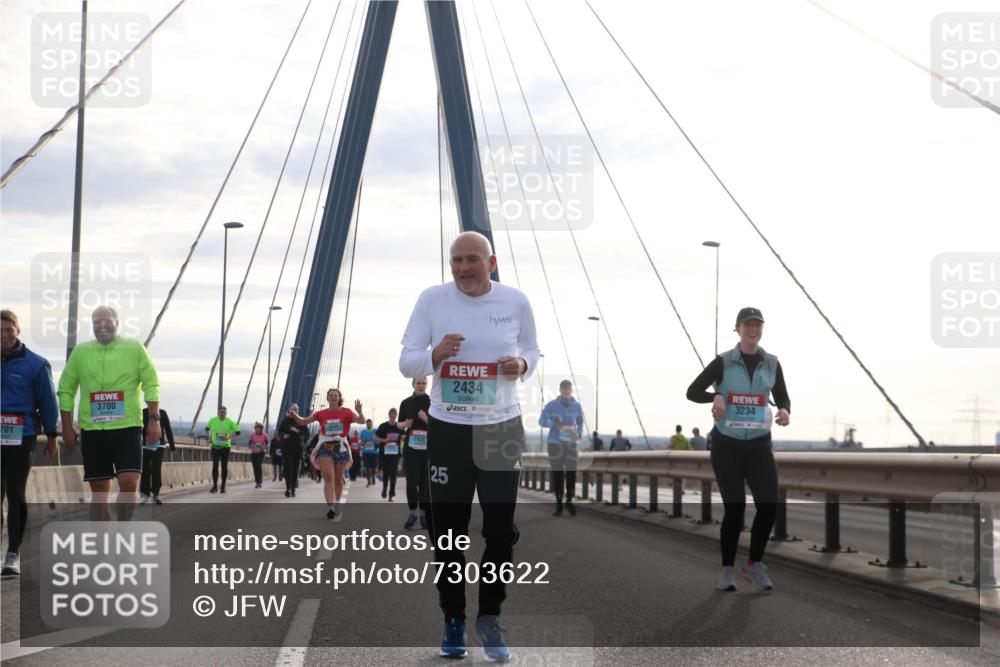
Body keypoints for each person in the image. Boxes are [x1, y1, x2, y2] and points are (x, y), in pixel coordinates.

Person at [399, 231, 540, 661]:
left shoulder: (515, 302)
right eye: (456, 260)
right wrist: (435, 355)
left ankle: (490, 619)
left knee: (500, 532)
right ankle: (454, 620)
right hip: (449, 431)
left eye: (472, 260)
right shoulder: (432, 300)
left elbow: (532, 351)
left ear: (491, 262)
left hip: (499, 429)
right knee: (449, 533)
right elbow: (407, 359)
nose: (463, 268)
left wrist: (521, 365)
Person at [686, 307, 790, 592]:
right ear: (737, 328)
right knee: (736, 508)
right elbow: (692, 391)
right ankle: (727, 570)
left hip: (758, 444)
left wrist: (783, 410)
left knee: (768, 505)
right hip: (727, 444)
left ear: (762, 329)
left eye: (757, 325)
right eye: (747, 325)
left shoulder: (771, 363)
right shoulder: (722, 362)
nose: (752, 330)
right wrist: (716, 395)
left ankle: (754, 564)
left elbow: (782, 395)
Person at [58, 307, 160, 522]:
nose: (102, 325)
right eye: (96, 322)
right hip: (94, 430)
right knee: (99, 490)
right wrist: (67, 427)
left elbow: (151, 383)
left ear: (117, 322)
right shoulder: (81, 352)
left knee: (129, 482)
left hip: (127, 427)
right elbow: (66, 389)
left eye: (107, 321)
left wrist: (154, 419)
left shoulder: (134, 348)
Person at [1, 309, 59, 576]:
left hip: (20, 434)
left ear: (18, 331)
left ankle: (13, 552)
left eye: (8, 329)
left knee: (14, 492)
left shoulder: (36, 364)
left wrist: (52, 436)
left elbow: (48, 401)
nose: (4, 335)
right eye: (0, 330)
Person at [292, 388, 365, 518]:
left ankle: (337, 503)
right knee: (328, 476)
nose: (333, 397)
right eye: (330, 395)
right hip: (325, 447)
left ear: (339, 398)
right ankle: (331, 507)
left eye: (335, 396)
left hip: (340, 448)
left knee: (338, 480)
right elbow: (304, 421)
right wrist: (295, 416)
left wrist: (360, 412)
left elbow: (362, 421)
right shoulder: (321, 414)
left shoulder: (346, 412)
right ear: (327, 398)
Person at [539, 380, 584, 517]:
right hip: (555, 444)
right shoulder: (551, 405)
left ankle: (569, 501)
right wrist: (553, 422)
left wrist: (579, 433)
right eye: (563, 389)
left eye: (568, 389)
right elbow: (541, 421)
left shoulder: (577, 406)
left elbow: (581, 422)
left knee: (572, 474)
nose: (566, 391)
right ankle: (559, 504)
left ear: (571, 390)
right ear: (560, 390)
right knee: (558, 475)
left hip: (570, 444)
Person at [398, 376, 431, 529]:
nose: (421, 385)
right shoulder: (405, 403)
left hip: (427, 448)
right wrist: (404, 424)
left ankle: (424, 515)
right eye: (418, 383)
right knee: (411, 481)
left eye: (424, 383)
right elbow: (399, 424)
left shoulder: (432, 402)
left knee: (424, 483)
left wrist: (426, 419)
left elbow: (439, 426)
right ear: (413, 384)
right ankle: (412, 513)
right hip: (411, 448)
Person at [140, 406, 176, 504]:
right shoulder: (142, 412)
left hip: (159, 445)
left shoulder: (162, 413)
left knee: (156, 468)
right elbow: (138, 428)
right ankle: (145, 494)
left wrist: (172, 446)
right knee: (145, 469)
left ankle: (155, 493)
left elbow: (168, 428)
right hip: (145, 445)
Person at [204, 406, 240, 494]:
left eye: (224, 412)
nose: (222, 414)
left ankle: (223, 486)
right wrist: (208, 437)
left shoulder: (229, 422)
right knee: (215, 465)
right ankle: (215, 486)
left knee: (224, 467)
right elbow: (207, 429)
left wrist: (230, 436)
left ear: (226, 413)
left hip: (225, 447)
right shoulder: (213, 420)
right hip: (215, 446)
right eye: (221, 412)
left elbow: (238, 431)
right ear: (218, 413)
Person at [277, 403, 307, 496]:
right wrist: (283, 435)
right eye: (293, 409)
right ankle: (288, 489)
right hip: (286, 448)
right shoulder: (285, 421)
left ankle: (293, 489)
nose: (295, 411)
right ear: (289, 410)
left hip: (297, 448)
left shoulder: (302, 421)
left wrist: (297, 431)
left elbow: (306, 435)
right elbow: (279, 433)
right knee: (288, 468)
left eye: (297, 409)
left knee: (295, 468)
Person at [375, 408, 405, 502]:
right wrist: (384, 440)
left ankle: (392, 494)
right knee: (386, 472)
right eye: (391, 414)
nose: (392, 415)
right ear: (389, 415)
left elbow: (404, 437)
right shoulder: (383, 426)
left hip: (395, 454)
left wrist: (404, 437)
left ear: (396, 415)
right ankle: (384, 488)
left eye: (394, 414)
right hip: (384, 454)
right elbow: (375, 437)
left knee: (393, 474)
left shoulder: (399, 426)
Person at [247, 422, 269, 488]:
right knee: (255, 467)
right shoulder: (252, 435)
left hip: (261, 453)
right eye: (255, 427)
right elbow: (249, 444)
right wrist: (252, 447)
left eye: (258, 427)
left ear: (261, 428)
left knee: (258, 465)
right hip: (254, 453)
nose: (256, 429)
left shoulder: (265, 435)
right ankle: (257, 482)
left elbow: (268, 444)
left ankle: (260, 481)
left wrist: (264, 447)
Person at [360, 419, 378, 487]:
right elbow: (361, 442)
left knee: (374, 468)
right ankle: (368, 481)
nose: (369, 425)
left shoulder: (376, 431)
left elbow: (378, 440)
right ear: (366, 424)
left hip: (374, 453)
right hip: (366, 452)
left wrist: (376, 444)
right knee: (366, 467)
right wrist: (363, 442)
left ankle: (373, 478)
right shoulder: (363, 432)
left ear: (372, 424)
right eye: (368, 424)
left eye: (370, 423)